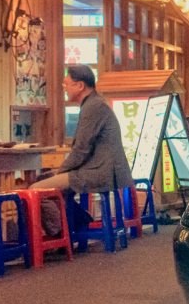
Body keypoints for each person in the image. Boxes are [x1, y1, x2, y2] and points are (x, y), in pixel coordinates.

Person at [31, 64, 132, 237]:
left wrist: (60, 172)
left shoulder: (92, 107)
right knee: (45, 179)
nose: (65, 89)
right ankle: (77, 221)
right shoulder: (95, 104)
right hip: (104, 170)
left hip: (100, 172)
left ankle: (61, 233)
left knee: (35, 189)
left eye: (67, 84)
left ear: (80, 85)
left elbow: (81, 151)